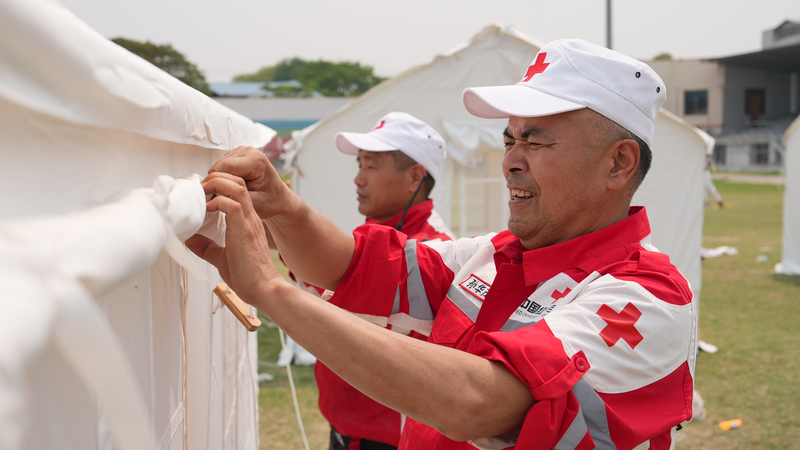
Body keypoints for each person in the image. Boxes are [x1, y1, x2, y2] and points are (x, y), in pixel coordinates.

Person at [188, 39, 697, 449]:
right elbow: (353, 267)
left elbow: (477, 402)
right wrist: (282, 205)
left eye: (536, 141)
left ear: (619, 163)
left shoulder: (648, 296)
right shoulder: (494, 255)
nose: (511, 161)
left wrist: (271, 290)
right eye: (509, 139)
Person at [313, 111, 456, 450]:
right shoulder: (377, 236)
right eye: (359, 165)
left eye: (371, 166)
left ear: (414, 178)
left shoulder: (434, 252)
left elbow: (338, 292)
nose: (358, 179)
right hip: (349, 429)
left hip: (391, 439)